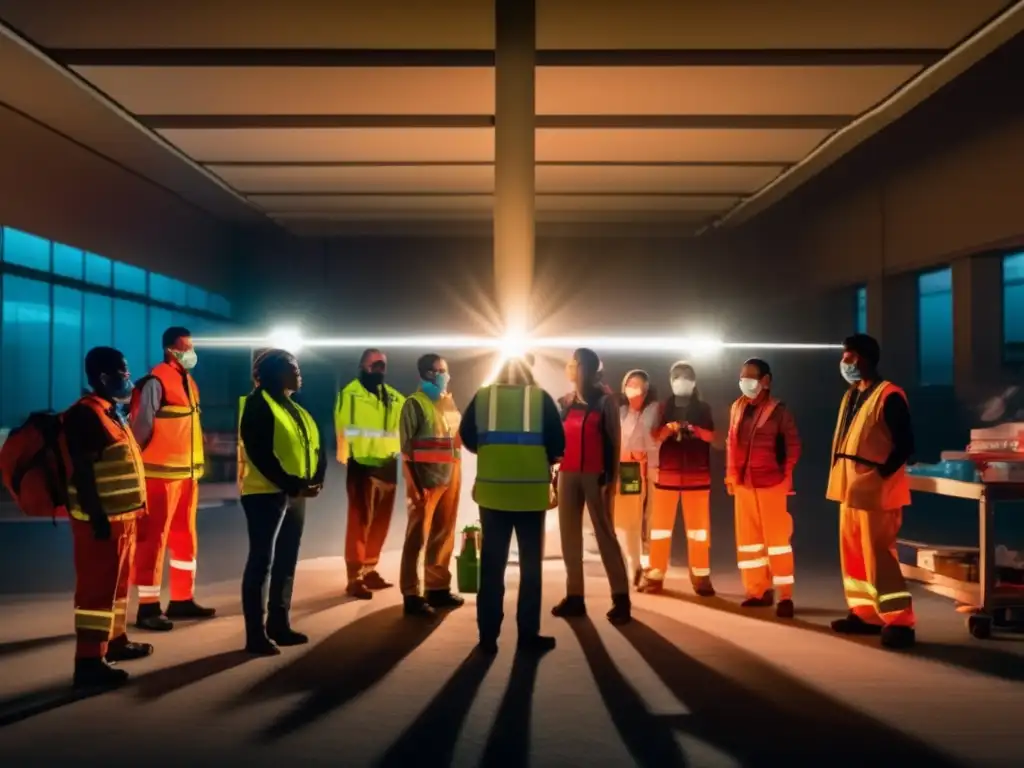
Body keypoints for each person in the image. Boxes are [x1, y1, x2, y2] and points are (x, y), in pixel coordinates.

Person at [460, 355, 565, 653]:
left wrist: (491, 453)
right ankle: (528, 636)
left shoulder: (483, 397)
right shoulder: (540, 399)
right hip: (530, 497)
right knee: (531, 569)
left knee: (492, 568)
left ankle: (487, 637)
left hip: (493, 496)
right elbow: (559, 447)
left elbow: (467, 437)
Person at [65, 347, 154, 687]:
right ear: (103, 377)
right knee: (95, 594)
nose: (127, 378)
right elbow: (83, 470)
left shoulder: (110, 411)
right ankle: (88, 662)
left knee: (117, 588)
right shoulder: (85, 415)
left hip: (123, 517)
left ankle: (115, 642)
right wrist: (97, 516)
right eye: (122, 371)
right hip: (100, 520)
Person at [827, 334, 916, 649]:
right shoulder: (853, 394)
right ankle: (864, 614)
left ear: (865, 359)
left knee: (879, 555)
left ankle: (899, 621)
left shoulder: (889, 395)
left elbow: (905, 444)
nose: (845, 363)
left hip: (875, 488)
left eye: (850, 357)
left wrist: (879, 475)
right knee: (853, 553)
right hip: (850, 487)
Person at [239, 349, 325, 655]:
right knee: (261, 562)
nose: (299, 373)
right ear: (274, 373)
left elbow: (315, 445)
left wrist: (316, 479)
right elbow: (260, 452)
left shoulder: (295, 406)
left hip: (294, 494)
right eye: (292, 368)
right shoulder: (257, 404)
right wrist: (293, 484)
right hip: (266, 494)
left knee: (286, 561)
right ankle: (255, 635)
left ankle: (279, 623)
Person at [129, 326, 215, 631]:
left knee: (184, 539)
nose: (191, 353)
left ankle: (181, 599)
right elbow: (140, 428)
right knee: (153, 541)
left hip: (186, 476)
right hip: (158, 477)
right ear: (170, 350)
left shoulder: (189, 382)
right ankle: (148, 608)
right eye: (185, 347)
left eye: (191, 347)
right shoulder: (155, 381)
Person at [552, 348, 632, 624]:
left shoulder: (606, 400)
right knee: (569, 536)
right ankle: (575, 597)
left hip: (596, 475)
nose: (569, 367)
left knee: (604, 533)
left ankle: (621, 597)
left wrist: (611, 478)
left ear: (584, 368)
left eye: (573, 363)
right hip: (568, 473)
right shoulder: (566, 401)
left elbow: (614, 440)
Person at [726, 359, 801, 618]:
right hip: (745, 485)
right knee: (748, 542)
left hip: (771, 484)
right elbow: (731, 444)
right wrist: (731, 477)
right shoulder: (737, 407)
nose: (745, 382)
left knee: (778, 542)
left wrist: (784, 477)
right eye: (742, 376)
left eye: (751, 377)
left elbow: (793, 448)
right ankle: (757, 591)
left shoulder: (779, 411)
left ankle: (785, 596)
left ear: (766, 380)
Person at [335, 349, 405, 599]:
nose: (380, 369)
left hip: (387, 465)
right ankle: (354, 577)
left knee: (380, 523)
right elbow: (343, 428)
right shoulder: (350, 394)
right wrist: (348, 456)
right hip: (362, 465)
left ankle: (369, 569)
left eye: (383, 365)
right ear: (362, 366)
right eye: (374, 364)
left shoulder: (395, 398)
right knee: (359, 522)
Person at [399, 354, 465, 616]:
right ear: (425, 373)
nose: (443, 375)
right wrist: (415, 485)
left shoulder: (447, 402)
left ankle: (437, 588)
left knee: (444, 532)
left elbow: (456, 439)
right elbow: (405, 451)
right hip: (426, 479)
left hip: (451, 474)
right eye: (439, 371)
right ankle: (411, 593)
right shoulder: (414, 404)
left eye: (445, 371)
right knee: (417, 536)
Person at [643, 361, 716, 596]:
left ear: (694, 381)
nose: (681, 380)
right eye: (677, 376)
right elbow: (654, 436)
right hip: (667, 477)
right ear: (670, 380)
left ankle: (701, 576)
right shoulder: (663, 408)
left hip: (697, 478)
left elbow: (713, 437)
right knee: (660, 530)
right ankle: (655, 575)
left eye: (686, 376)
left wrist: (694, 429)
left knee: (699, 531)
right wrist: (669, 429)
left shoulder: (703, 408)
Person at [616, 369, 660, 588]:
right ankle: (634, 567)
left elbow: (654, 441)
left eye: (637, 384)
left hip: (650, 471)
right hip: (628, 473)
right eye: (629, 383)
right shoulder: (622, 412)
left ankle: (650, 568)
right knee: (629, 522)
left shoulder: (654, 411)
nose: (632, 387)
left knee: (651, 521)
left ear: (646, 388)